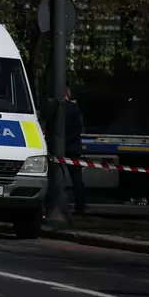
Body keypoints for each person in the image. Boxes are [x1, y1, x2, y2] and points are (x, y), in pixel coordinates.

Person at [65, 85, 86, 214]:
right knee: (77, 179)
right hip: (72, 147)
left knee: (56, 177)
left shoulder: (56, 108)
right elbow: (79, 128)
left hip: (59, 148)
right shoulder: (74, 108)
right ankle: (80, 207)